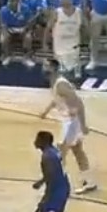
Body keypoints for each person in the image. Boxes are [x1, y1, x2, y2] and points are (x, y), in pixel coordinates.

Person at [37, 59, 97, 194]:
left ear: (52, 68)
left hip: (71, 124)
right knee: (77, 152)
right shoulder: (55, 83)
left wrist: (83, 125)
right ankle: (90, 182)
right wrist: (46, 111)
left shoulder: (61, 85)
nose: (43, 67)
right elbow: (57, 99)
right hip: (69, 122)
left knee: (60, 155)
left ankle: (57, 187)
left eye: (45, 65)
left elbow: (79, 103)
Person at [31, 130, 69, 212]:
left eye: (37, 139)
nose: (35, 141)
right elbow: (52, 173)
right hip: (61, 187)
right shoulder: (54, 151)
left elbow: (52, 177)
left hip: (57, 193)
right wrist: (41, 181)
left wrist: (46, 198)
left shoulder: (47, 156)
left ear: (44, 141)